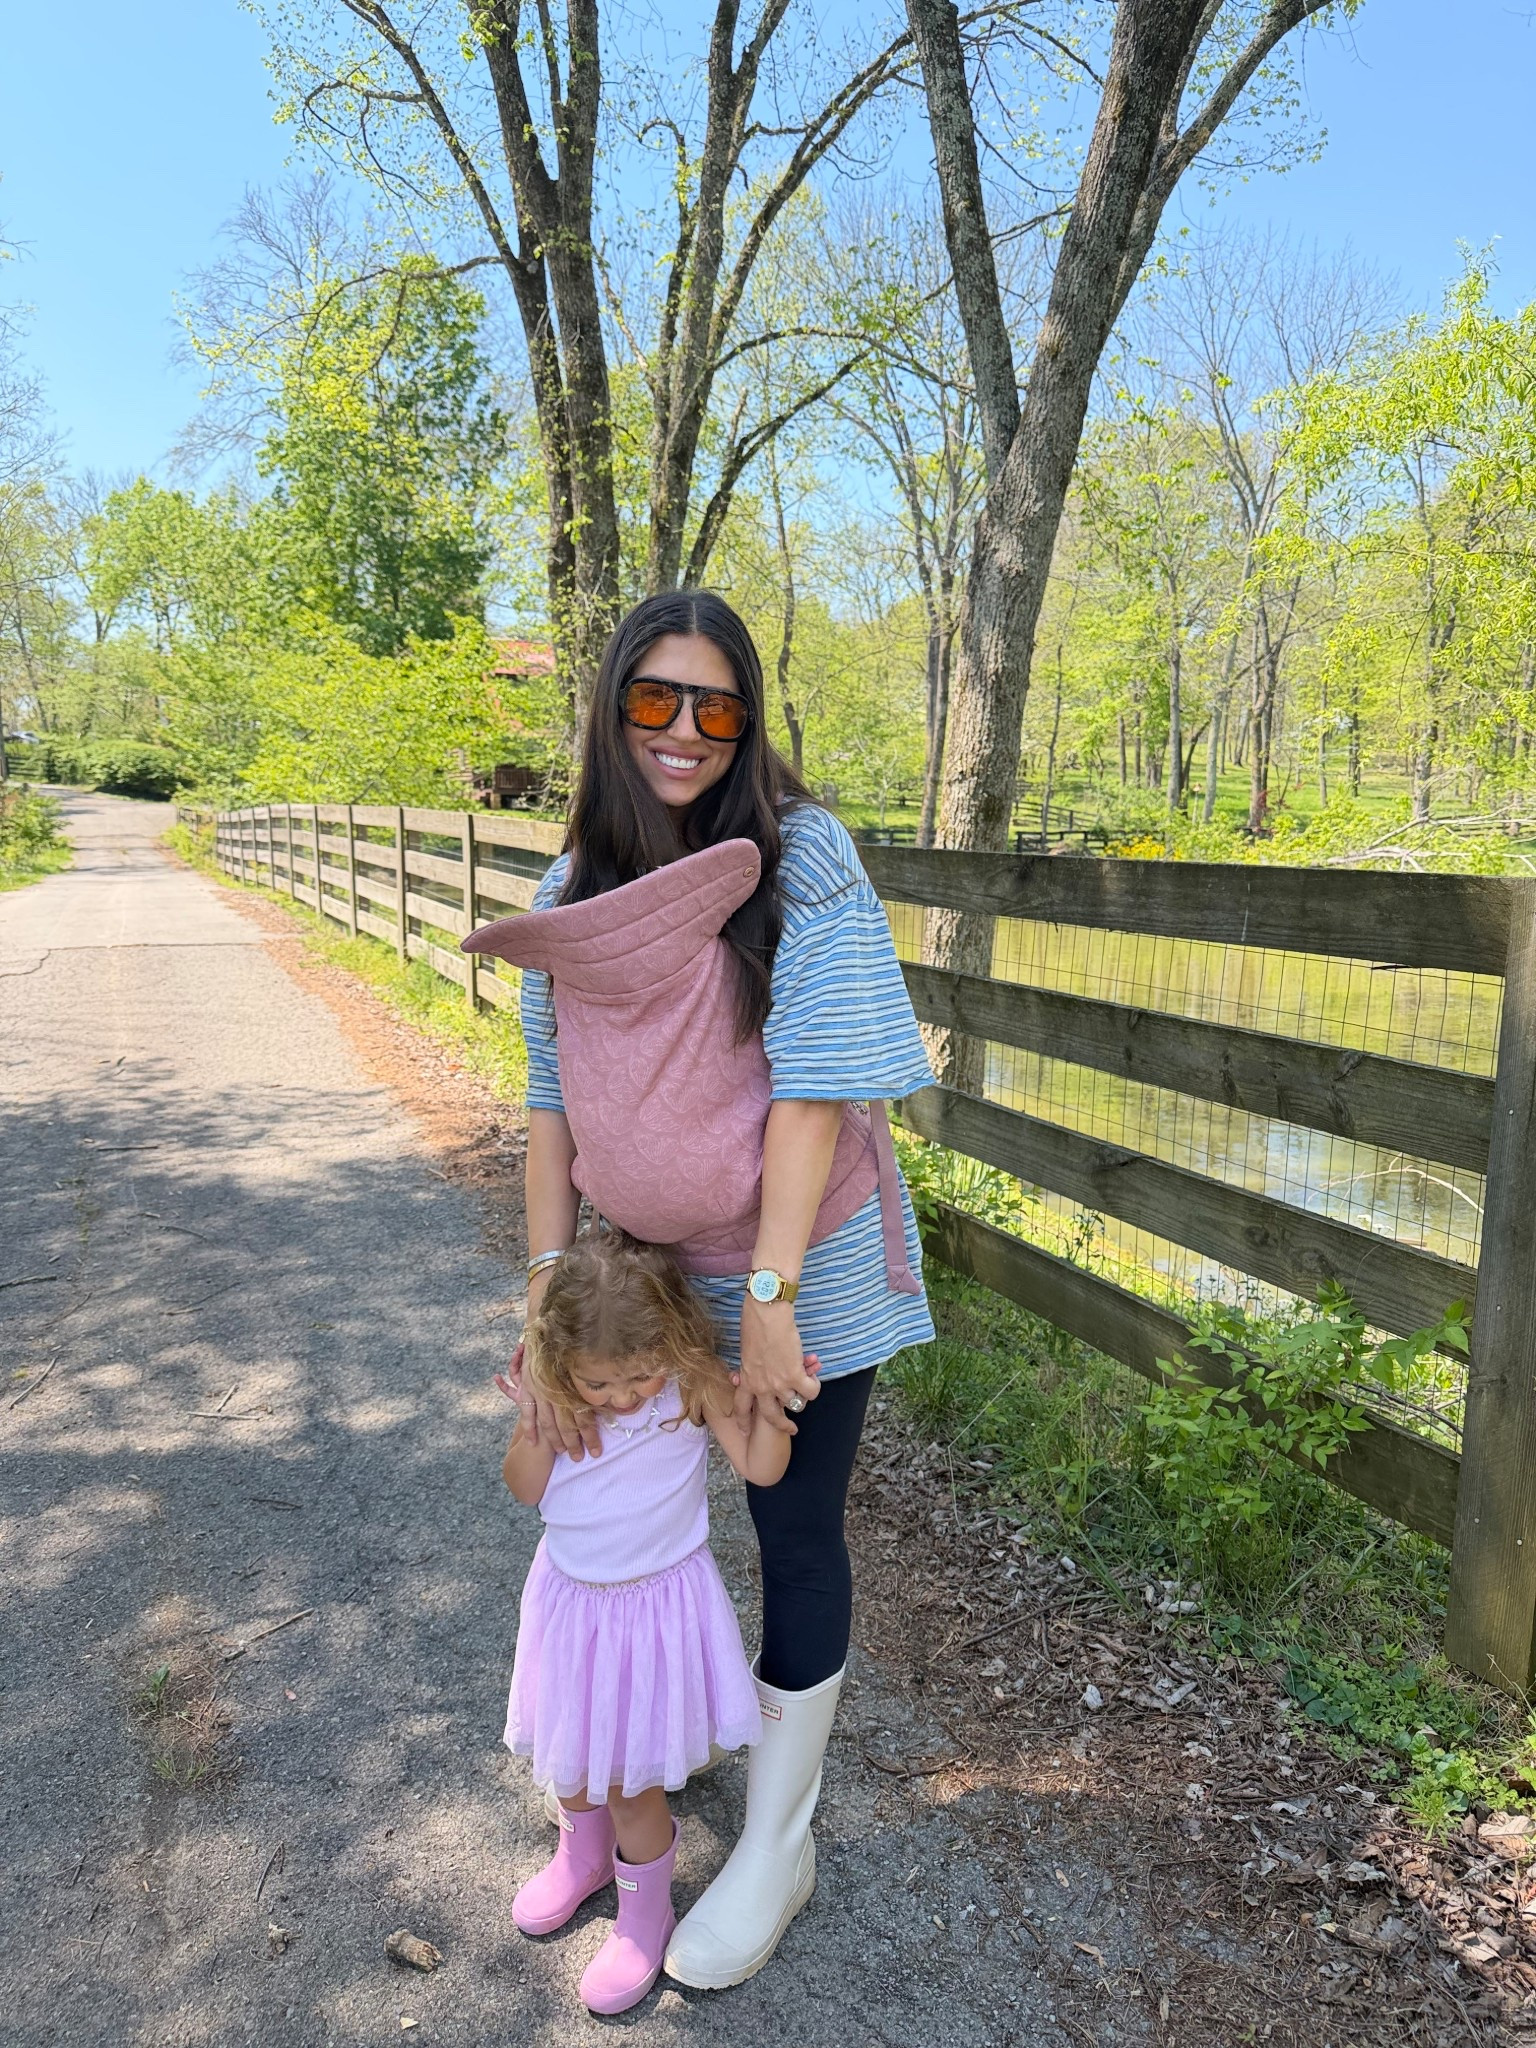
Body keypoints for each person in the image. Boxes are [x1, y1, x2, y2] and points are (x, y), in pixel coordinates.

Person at [493, 588, 935, 1989]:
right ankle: (635, 1766)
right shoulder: (578, 887)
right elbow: (554, 1106)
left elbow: (817, 1081)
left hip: (801, 1258)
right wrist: (551, 1294)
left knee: (787, 1511)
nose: (684, 731)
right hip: (636, 1276)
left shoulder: (803, 855)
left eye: (716, 705)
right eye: (653, 700)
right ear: (612, 708)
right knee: (623, 1505)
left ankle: (778, 1845)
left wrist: (772, 1292)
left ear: (747, 721)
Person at [501, 1228, 799, 2015]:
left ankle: (644, 1916)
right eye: (602, 1382)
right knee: (571, 1757)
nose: (625, 1397)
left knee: (631, 1782)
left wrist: (771, 1410)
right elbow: (523, 1489)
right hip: (572, 1607)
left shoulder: (690, 1387)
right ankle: (582, 1857)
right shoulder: (563, 1394)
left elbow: (762, 1468)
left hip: (654, 1612)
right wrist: (542, 1413)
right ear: (562, 1360)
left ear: (673, 1340)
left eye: (640, 1375)